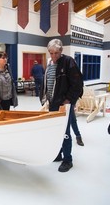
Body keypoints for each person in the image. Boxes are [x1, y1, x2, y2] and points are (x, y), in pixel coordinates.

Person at [40, 39, 83, 172]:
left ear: (61, 51)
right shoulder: (49, 64)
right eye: (51, 53)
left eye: (56, 53)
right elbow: (48, 82)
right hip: (53, 103)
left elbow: (77, 84)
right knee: (56, 130)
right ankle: (58, 154)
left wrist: (68, 99)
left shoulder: (68, 61)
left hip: (64, 104)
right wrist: (45, 97)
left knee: (65, 132)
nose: (54, 56)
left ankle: (67, 160)